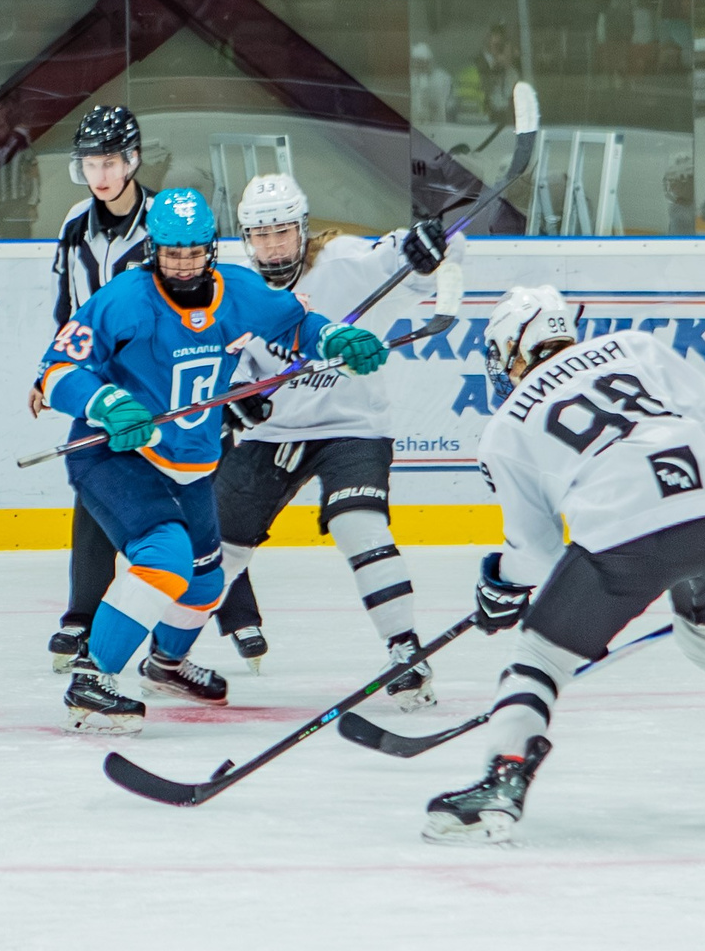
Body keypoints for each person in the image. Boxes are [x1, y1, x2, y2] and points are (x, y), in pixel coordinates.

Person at [424, 286, 705, 844]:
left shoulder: (506, 426)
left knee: (539, 654)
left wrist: (501, 584)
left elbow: (537, 553)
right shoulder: (633, 345)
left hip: (626, 532)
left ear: (515, 349)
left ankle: (502, 781)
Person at [35, 187, 387, 733]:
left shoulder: (240, 291)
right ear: (154, 249)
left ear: (211, 250)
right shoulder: (124, 298)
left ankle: (166, 665)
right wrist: (105, 401)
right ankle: (92, 677)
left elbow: (295, 325)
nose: (182, 263)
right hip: (117, 453)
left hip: (191, 461)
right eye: (171, 252)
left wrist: (337, 337)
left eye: (193, 251)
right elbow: (56, 370)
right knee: (165, 553)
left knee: (206, 579)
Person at [201, 173, 456, 707]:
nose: (273, 246)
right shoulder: (234, 287)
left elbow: (422, 257)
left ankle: (406, 651)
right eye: (261, 235)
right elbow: (218, 361)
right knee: (218, 548)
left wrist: (428, 245)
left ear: (303, 228)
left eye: (283, 232)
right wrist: (238, 393)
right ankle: (166, 655)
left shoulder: (343, 260)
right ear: (246, 238)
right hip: (271, 434)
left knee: (357, 522)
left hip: (352, 426)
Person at [38, 105, 152, 670]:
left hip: (158, 388)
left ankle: (213, 619)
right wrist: (50, 371)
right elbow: (67, 312)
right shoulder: (72, 225)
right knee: (93, 491)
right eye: (89, 163)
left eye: (108, 161)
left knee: (187, 498)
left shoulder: (165, 225)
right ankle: (80, 616)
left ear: (131, 160)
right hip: (94, 387)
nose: (99, 175)